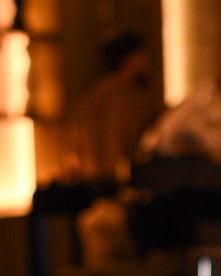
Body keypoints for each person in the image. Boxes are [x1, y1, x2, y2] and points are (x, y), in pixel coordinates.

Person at [63, 32, 158, 182]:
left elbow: (73, 159)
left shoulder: (85, 104)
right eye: (144, 56)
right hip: (125, 187)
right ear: (130, 60)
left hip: (91, 188)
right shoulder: (135, 102)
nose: (148, 63)